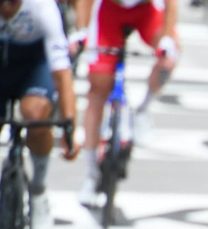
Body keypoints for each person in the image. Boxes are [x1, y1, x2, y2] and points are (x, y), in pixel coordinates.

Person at [74, 0, 179, 206]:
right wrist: (82, 30)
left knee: (171, 55)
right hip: (109, 13)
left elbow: (171, 4)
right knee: (98, 87)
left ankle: (142, 111)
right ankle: (91, 175)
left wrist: (167, 38)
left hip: (144, 12)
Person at [0, 0, 80, 229]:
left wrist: (69, 127)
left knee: (36, 115)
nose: (6, 9)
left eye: (12, 3)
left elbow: (62, 74)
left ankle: (38, 189)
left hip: (34, 64)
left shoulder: (42, 8)